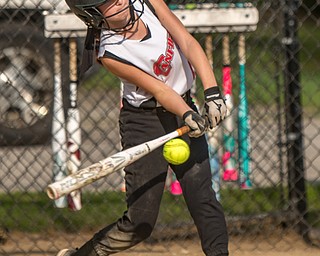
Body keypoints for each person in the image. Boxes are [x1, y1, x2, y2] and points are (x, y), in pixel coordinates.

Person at [58, 0, 229, 255]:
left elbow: (186, 40)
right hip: (143, 122)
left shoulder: (147, 2)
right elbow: (159, 89)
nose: (118, 0)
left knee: (203, 197)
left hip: (183, 104)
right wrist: (188, 114)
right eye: (106, 3)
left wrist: (213, 93)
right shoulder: (109, 53)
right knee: (140, 223)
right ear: (93, 14)